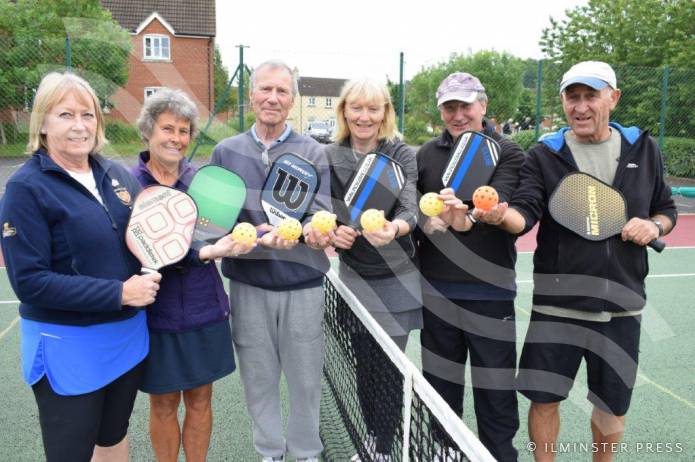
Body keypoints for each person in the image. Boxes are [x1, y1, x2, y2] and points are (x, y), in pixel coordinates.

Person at [477, 61, 677, 461]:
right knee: (543, 399)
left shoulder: (643, 148)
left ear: (613, 98)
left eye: (591, 96)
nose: (581, 107)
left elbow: (666, 209)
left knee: (611, 406)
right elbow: (525, 213)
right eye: (573, 97)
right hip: (557, 306)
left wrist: (654, 226)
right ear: (564, 102)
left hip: (621, 305)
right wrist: (502, 216)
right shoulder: (545, 155)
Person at [0, 71, 161, 462]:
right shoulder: (25, 188)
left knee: (114, 436)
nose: (79, 125)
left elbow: (152, 238)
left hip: (124, 339)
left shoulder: (117, 174)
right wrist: (120, 293)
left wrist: (209, 249)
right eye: (65, 115)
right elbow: (30, 282)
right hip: (66, 347)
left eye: (87, 114)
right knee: (71, 453)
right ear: (42, 123)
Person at [209, 60, 332, 462]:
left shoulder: (313, 151)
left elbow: (320, 213)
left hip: (303, 285)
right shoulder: (225, 152)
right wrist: (230, 239)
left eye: (282, 91)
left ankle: (305, 454)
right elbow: (212, 222)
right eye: (265, 89)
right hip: (249, 286)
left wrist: (311, 230)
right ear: (251, 94)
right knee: (258, 379)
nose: (272, 98)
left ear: (292, 100)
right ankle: (269, 452)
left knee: (305, 380)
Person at [131, 88, 254, 461]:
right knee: (164, 402)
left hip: (205, 308)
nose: (177, 139)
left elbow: (228, 230)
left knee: (201, 398)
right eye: (168, 129)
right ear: (148, 131)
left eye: (184, 131)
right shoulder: (127, 184)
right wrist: (201, 252)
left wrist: (258, 235)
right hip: (156, 312)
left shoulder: (204, 183)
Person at [415, 71, 524, 461]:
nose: (458, 114)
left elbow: (501, 204)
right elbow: (418, 216)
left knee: (495, 393)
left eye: (465, 105)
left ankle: (497, 455)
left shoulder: (508, 152)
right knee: (440, 388)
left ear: (483, 105)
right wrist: (431, 222)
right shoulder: (425, 155)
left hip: (490, 293)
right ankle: (444, 453)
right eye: (449, 107)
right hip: (437, 292)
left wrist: (468, 219)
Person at [325, 78, 421, 460]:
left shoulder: (402, 154)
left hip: (397, 280)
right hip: (353, 279)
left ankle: (384, 447)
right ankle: (375, 439)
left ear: (385, 112)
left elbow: (410, 208)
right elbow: (324, 210)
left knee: (389, 371)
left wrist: (394, 229)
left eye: (373, 108)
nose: (364, 117)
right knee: (365, 368)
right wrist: (333, 231)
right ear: (344, 111)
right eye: (357, 108)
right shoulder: (330, 155)